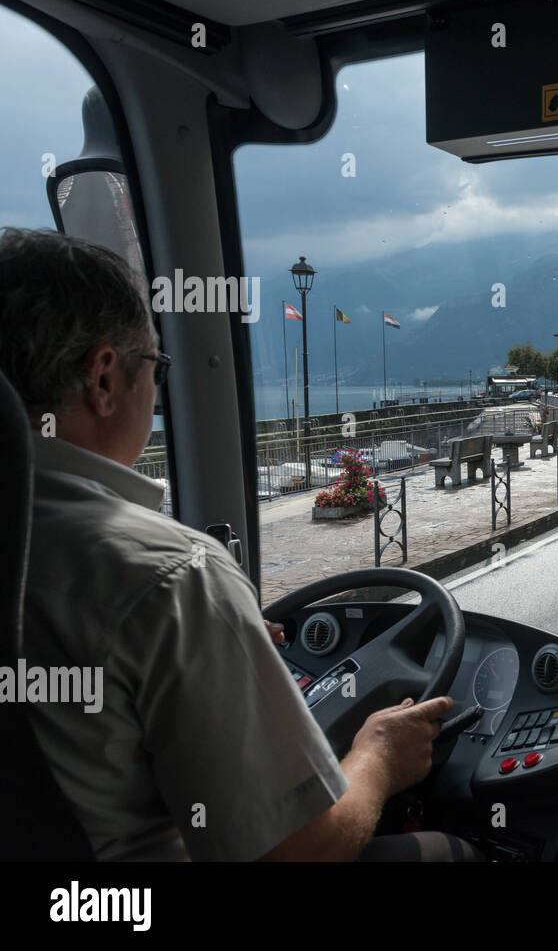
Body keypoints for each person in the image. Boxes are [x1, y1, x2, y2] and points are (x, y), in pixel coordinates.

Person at [0, 228, 478, 861]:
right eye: (157, 367)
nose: (159, 387)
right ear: (105, 378)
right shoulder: (169, 579)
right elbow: (300, 850)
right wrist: (378, 759)